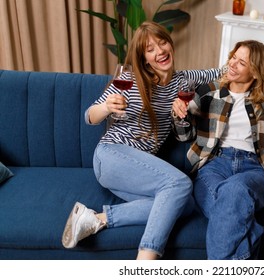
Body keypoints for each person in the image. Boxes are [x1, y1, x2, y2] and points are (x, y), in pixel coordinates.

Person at [61, 21, 221, 260]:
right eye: (150, 49)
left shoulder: (185, 80)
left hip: (137, 170)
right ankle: (145, 261)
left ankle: (95, 219)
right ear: (144, 58)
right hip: (111, 155)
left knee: (185, 205)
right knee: (179, 185)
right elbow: (89, 116)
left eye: (162, 42)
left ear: (170, 44)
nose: (160, 51)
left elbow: (225, 72)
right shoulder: (129, 80)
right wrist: (106, 107)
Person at [171, 40, 264, 259]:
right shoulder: (209, 92)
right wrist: (179, 115)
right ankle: (250, 235)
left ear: (256, 72)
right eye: (233, 58)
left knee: (234, 191)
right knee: (232, 209)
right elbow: (184, 135)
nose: (232, 64)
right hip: (212, 166)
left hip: (254, 169)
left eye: (242, 62)